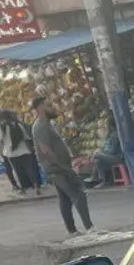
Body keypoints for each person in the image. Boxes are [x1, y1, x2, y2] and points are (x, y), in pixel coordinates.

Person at [30, 96, 92, 234]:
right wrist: (63, 166)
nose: (52, 107)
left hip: (58, 167)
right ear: (40, 107)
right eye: (48, 104)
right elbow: (46, 150)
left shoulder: (47, 124)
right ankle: (89, 227)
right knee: (78, 193)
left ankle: (72, 230)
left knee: (65, 199)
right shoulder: (39, 126)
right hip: (57, 168)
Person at [0, 106, 42, 196]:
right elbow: (26, 138)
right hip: (24, 151)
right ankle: (36, 187)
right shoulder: (19, 125)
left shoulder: (3, 127)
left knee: (17, 171)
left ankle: (22, 189)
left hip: (11, 153)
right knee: (30, 169)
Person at [85, 117, 123, 188]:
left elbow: (113, 151)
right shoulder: (115, 133)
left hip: (117, 158)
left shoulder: (115, 135)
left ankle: (94, 178)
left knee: (97, 155)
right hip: (116, 157)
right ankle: (101, 180)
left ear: (110, 126)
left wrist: (103, 153)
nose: (105, 126)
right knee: (98, 161)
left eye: (106, 124)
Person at [0, 102, 20, 192]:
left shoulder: (6, 116)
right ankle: (14, 184)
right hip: (3, 147)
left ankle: (20, 183)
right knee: (8, 166)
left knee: (15, 164)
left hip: (11, 145)